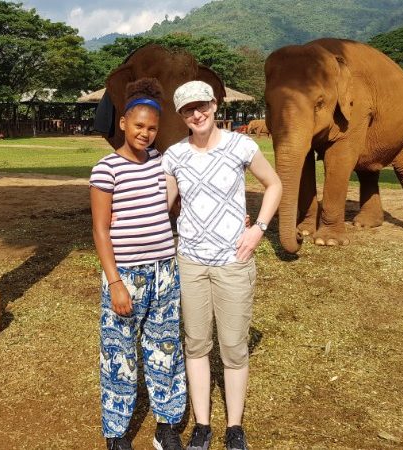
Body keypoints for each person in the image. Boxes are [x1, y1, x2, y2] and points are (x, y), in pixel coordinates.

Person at [162, 81, 282, 450]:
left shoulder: (241, 146)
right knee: (196, 344)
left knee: (233, 346)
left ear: (215, 105)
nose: (196, 115)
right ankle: (202, 425)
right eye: (187, 110)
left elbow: (274, 183)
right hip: (191, 263)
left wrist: (259, 229)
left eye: (201, 106)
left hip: (234, 261)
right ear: (181, 115)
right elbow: (163, 205)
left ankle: (234, 426)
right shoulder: (174, 155)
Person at [89, 78, 186, 450]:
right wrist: (115, 283)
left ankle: (166, 425)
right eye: (139, 126)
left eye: (152, 128)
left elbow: (175, 207)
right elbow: (100, 229)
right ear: (124, 124)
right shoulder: (106, 168)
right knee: (119, 353)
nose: (145, 133)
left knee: (164, 349)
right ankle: (116, 433)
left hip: (164, 270)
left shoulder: (160, 163)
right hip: (126, 275)